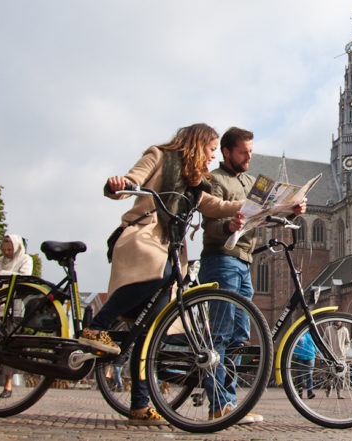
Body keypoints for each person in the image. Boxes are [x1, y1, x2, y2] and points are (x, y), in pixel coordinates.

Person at [78, 123, 245, 426]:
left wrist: (261, 207)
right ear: (197, 144)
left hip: (167, 249)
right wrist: (119, 183)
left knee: (149, 332)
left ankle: (139, 406)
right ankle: (96, 326)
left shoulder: (196, 184)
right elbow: (132, 180)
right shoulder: (159, 155)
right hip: (142, 237)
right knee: (161, 272)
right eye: (210, 150)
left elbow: (218, 206)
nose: (211, 158)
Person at [197, 126, 304, 423]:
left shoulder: (250, 182)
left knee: (239, 334)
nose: (248, 157)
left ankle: (227, 401)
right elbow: (210, 226)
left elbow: (263, 219)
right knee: (219, 332)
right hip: (221, 259)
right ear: (227, 152)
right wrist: (227, 227)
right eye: (243, 152)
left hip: (244, 262)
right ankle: (220, 405)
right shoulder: (214, 180)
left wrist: (291, 212)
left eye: (251, 152)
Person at [0, 234, 34, 399]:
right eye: (5, 250)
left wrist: (0, 274)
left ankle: (8, 386)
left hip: (13, 308)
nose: (7, 252)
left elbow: (22, 279)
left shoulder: (25, 260)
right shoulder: (0, 260)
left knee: (9, 347)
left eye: (10, 249)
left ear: (16, 247)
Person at [324, 320, 350, 399]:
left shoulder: (345, 330)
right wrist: (328, 351)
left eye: (339, 321)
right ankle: (329, 388)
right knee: (329, 374)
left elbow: (347, 342)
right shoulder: (328, 329)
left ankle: (339, 393)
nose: (338, 322)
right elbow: (324, 341)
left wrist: (344, 350)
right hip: (330, 355)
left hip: (341, 356)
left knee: (341, 376)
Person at [292, 333, 317, 400]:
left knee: (309, 374)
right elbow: (293, 344)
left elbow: (316, 342)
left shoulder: (311, 332)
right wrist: (295, 352)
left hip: (310, 356)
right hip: (300, 357)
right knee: (300, 376)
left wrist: (316, 351)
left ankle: (310, 392)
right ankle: (300, 392)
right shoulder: (300, 333)